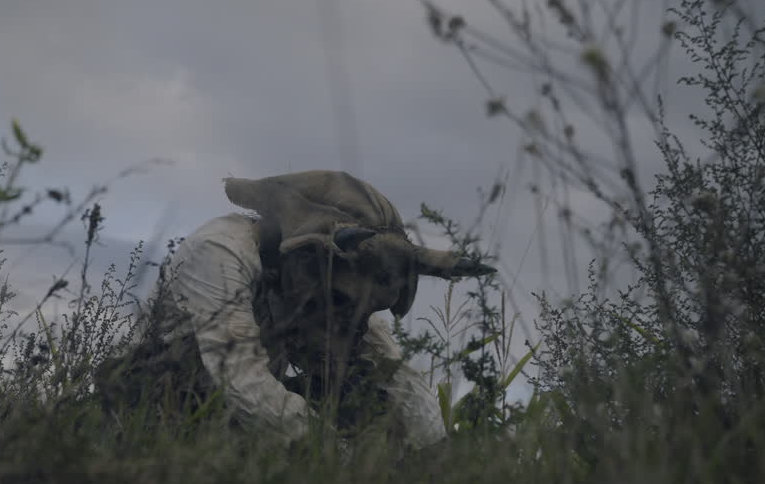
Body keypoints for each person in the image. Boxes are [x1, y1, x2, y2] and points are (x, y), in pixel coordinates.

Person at [97, 170, 496, 446]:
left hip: (246, 417)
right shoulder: (220, 250)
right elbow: (240, 378)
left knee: (369, 400)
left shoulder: (332, 294)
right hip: (162, 400)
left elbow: (395, 374)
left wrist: (435, 454)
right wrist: (330, 457)